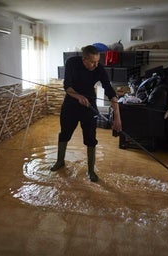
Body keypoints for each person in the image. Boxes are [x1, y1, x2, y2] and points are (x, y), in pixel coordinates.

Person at [50, 45, 122, 182]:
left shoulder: (98, 68)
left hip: (89, 106)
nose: (96, 65)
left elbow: (109, 90)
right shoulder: (72, 62)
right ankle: (60, 161)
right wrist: (78, 96)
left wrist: (117, 117)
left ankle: (90, 171)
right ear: (84, 59)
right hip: (71, 104)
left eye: (97, 61)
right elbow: (67, 86)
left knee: (90, 138)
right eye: (93, 62)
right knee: (64, 133)